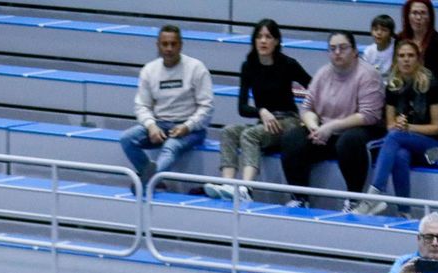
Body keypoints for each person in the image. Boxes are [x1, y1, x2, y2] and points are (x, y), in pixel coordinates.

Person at [206, 19, 312, 204]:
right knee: (228, 131)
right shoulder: (249, 66)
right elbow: (242, 108)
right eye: (259, 36)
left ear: (277, 41)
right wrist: (261, 111)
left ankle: (246, 189)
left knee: (250, 135)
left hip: (288, 121)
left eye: (268, 37)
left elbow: (314, 88)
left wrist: (308, 116)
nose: (263, 41)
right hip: (264, 121)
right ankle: (227, 184)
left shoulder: (288, 64)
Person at [280, 31, 384, 208]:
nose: (337, 52)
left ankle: (354, 199)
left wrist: (332, 126)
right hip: (326, 131)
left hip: (361, 129)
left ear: (354, 51)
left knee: (349, 141)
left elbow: (369, 115)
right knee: (291, 139)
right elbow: (307, 108)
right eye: (333, 48)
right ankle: (300, 198)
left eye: (343, 48)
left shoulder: (368, 75)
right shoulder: (323, 73)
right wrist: (314, 127)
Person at [119, 25, 214, 191]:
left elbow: (207, 107)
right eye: (165, 44)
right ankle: (152, 176)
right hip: (160, 124)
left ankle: (146, 182)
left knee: (171, 146)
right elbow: (142, 105)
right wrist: (151, 125)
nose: (169, 48)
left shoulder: (197, 68)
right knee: (127, 139)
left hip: (191, 129)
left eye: (173, 44)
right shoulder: (149, 70)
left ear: (181, 45)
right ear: (158, 45)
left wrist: (187, 126)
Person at [357, 39, 438, 214]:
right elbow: (390, 125)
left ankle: (374, 195)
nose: (406, 59)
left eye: (410, 55)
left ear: (418, 59)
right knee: (400, 154)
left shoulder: (431, 84)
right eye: (401, 56)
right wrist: (397, 125)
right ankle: (404, 212)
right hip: (404, 143)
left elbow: (437, 127)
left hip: (433, 147)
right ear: (396, 60)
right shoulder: (392, 86)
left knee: (395, 137)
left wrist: (407, 128)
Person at [398, 0, 438, 90]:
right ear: (407, 16)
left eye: (423, 13)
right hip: (403, 86)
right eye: (414, 13)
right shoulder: (399, 39)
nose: (418, 17)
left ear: (429, 17)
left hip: (429, 87)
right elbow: (396, 67)